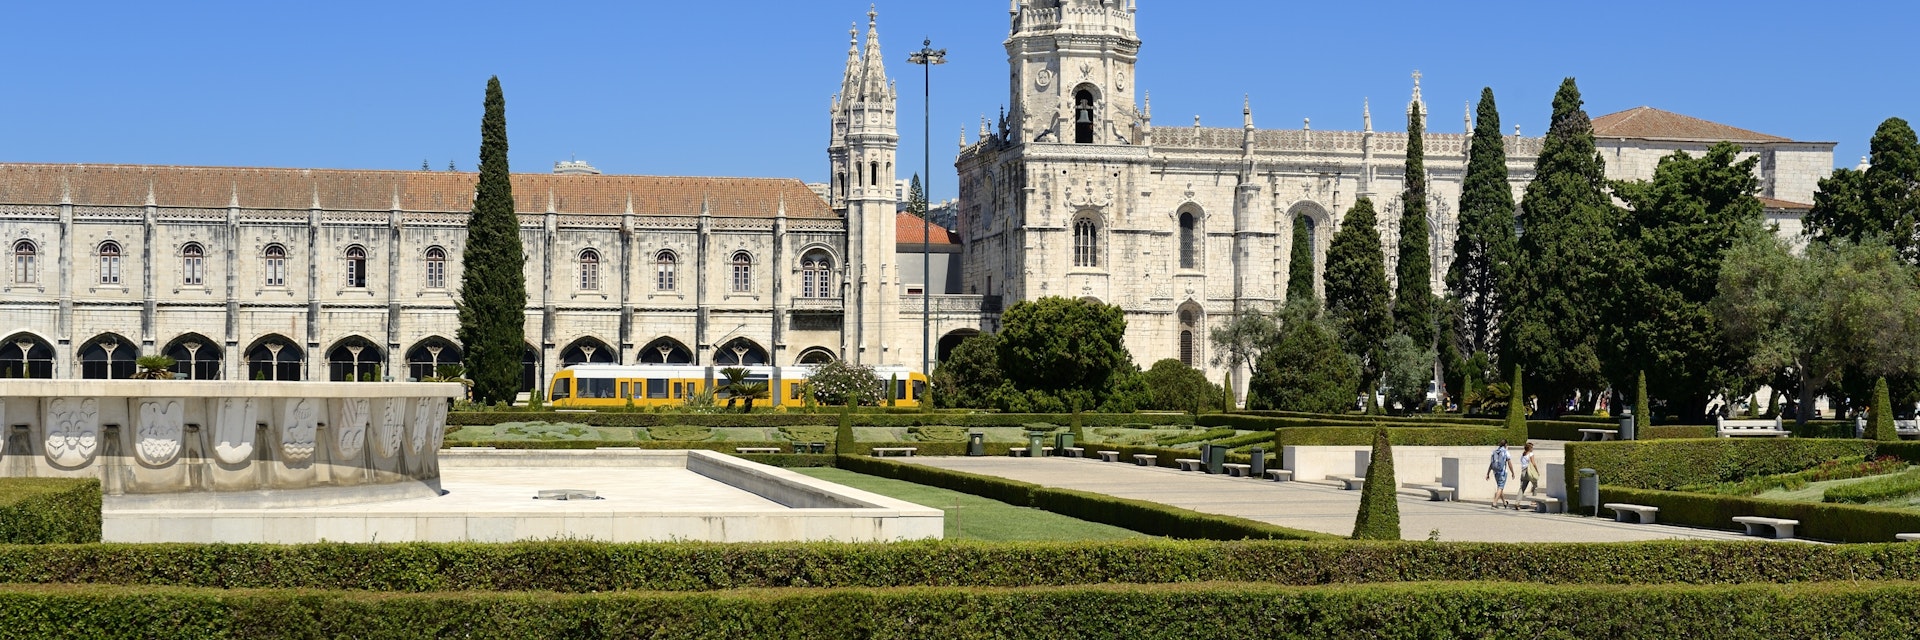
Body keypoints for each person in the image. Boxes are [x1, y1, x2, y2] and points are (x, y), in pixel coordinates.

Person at [1486, 439, 1515, 508]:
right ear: (1506, 445)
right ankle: (1494, 503)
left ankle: (1504, 503)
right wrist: (1513, 472)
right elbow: (1509, 463)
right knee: (1500, 487)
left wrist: (1488, 473)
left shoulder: (1495, 452)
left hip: (1495, 472)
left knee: (1500, 487)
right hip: (1503, 472)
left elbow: (1491, 463)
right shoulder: (1505, 452)